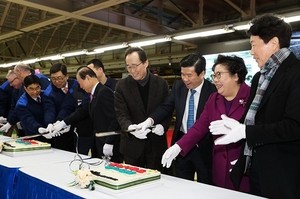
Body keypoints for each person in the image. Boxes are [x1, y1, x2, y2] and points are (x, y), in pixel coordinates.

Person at [209, 13, 300, 199]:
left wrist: (246, 132)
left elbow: (294, 127)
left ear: (273, 43)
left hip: (284, 174)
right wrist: (236, 125)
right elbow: (255, 117)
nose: (251, 52)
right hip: (256, 169)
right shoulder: (260, 77)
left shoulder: (296, 74)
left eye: (253, 44)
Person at [160, 55, 250, 192]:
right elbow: (199, 127)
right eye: (214, 75)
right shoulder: (214, 99)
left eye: (219, 75)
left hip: (244, 170)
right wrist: (178, 147)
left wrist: (248, 158)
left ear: (236, 76)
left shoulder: (252, 98)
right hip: (219, 169)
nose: (215, 80)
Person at [137, 53, 216, 183]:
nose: (185, 79)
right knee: (181, 184)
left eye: (189, 75)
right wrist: (149, 121)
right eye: (182, 74)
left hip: (204, 148)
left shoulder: (213, 92)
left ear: (202, 74)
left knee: (205, 186)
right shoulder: (179, 87)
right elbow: (166, 107)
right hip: (181, 145)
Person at [114, 47, 171, 172]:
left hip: (156, 144)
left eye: (135, 66)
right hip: (132, 146)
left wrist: (163, 125)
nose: (132, 71)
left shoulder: (161, 84)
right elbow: (121, 113)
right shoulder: (121, 86)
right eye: (128, 67)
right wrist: (130, 127)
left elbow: (167, 109)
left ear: (146, 63)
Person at [48, 66, 122, 162]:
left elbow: (114, 119)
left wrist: (110, 142)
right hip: (98, 142)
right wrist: (62, 124)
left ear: (87, 78)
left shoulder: (104, 92)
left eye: (80, 82)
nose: (81, 86)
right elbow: (82, 111)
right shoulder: (94, 94)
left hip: (107, 143)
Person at [87, 59, 121, 159]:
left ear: (100, 70)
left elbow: (115, 116)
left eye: (91, 71)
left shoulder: (116, 86)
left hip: (111, 138)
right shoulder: (92, 90)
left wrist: (110, 141)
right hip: (98, 139)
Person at [43, 63, 81, 152]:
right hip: (60, 127)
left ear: (66, 76)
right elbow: (49, 109)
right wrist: (49, 123)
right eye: (53, 79)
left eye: (59, 78)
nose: (56, 81)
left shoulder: (77, 85)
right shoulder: (49, 92)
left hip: (78, 124)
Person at [14, 74, 51, 143]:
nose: (35, 92)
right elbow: (28, 119)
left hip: (50, 131)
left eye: (37, 88)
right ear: (25, 88)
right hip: (33, 136)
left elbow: (49, 109)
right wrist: (38, 128)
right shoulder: (22, 103)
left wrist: (50, 123)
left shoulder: (46, 95)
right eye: (31, 89)